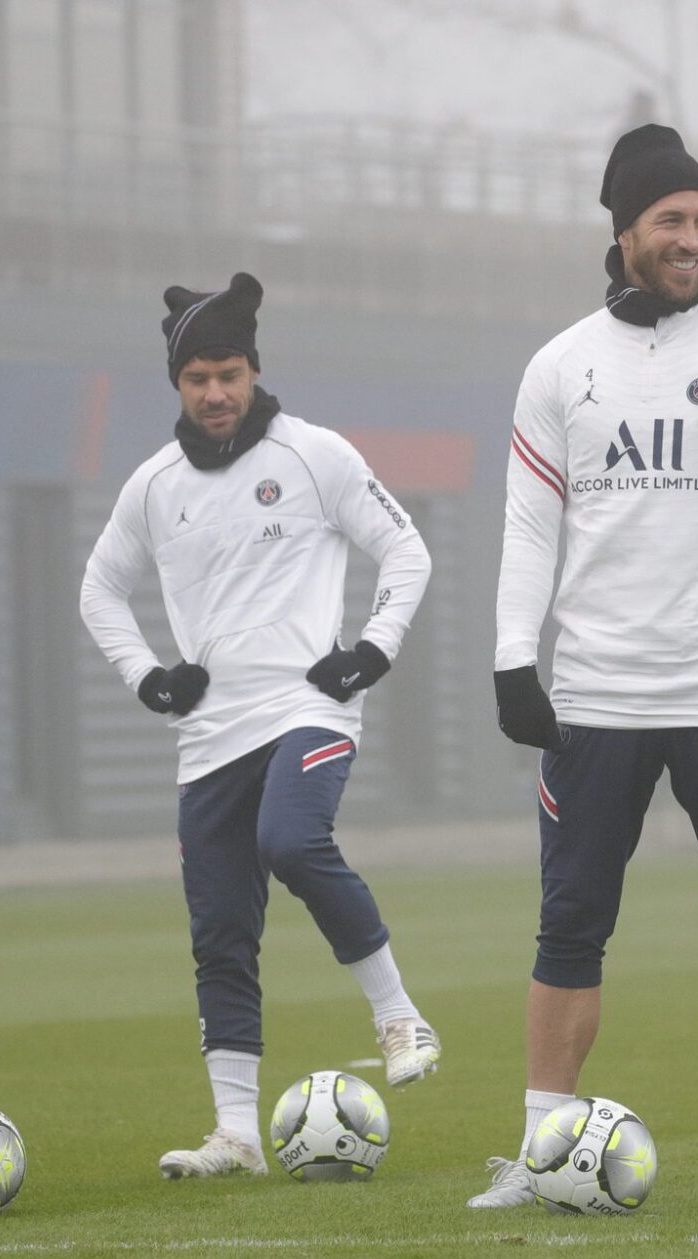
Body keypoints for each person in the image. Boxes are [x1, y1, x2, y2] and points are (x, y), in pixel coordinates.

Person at [472, 125, 698, 1208]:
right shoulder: (559, 365)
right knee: (567, 925)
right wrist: (509, 660)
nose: (690, 239)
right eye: (669, 220)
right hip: (592, 695)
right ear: (622, 230)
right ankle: (537, 1156)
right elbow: (529, 528)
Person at [80, 272, 441, 1180]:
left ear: (253, 370)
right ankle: (236, 1134)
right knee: (220, 936)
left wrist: (371, 652)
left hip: (308, 707)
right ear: (177, 382)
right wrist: (149, 676)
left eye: (231, 373)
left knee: (291, 836)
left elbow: (406, 546)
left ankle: (398, 1013)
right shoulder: (153, 487)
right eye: (199, 376)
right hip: (209, 738)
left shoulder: (314, 454)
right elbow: (98, 589)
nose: (216, 392)